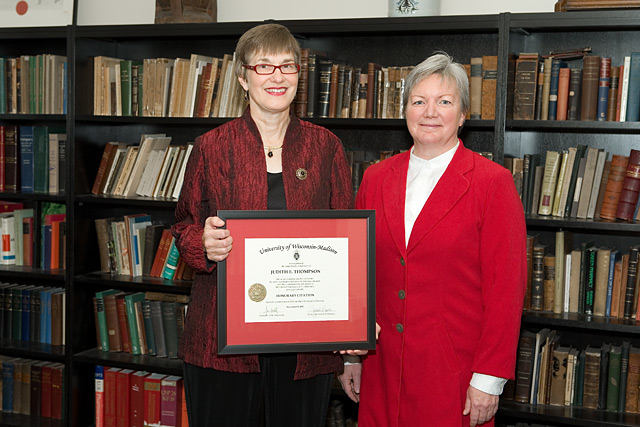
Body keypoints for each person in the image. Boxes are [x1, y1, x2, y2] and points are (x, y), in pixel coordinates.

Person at [171, 23, 354, 427]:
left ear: (298, 76)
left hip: (306, 345)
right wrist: (204, 244)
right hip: (222, 341)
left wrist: (351, 327)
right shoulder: (211, 146)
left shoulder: (326, 147)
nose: (277, 76)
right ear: (242, 78)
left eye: (287, 66)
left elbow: (349, 242)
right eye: (263, 66)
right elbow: (183, 225)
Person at [338, 52, 527, 426]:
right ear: (405, 109)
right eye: (418, 101)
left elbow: (507, 289)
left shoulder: (492, 184)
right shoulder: (375, 178)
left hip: (454, 375)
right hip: (382, 368)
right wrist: (350, 356)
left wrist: (489, 380)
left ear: (463, 114)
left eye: (444, 102)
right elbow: (355, 272)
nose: (430, 112)